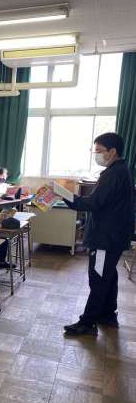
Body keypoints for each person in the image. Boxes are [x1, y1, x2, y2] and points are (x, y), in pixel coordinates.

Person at [63, 133, 135, 336]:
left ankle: (88, 323)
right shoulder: (120, 170)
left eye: (99, 151)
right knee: (108, 275)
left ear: (112, 151)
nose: (96, 155)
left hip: (105, 238)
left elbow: (93, 203)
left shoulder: (113, 173)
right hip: (113, 236)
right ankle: (108, 314)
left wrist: (65, 196)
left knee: (98, 278)